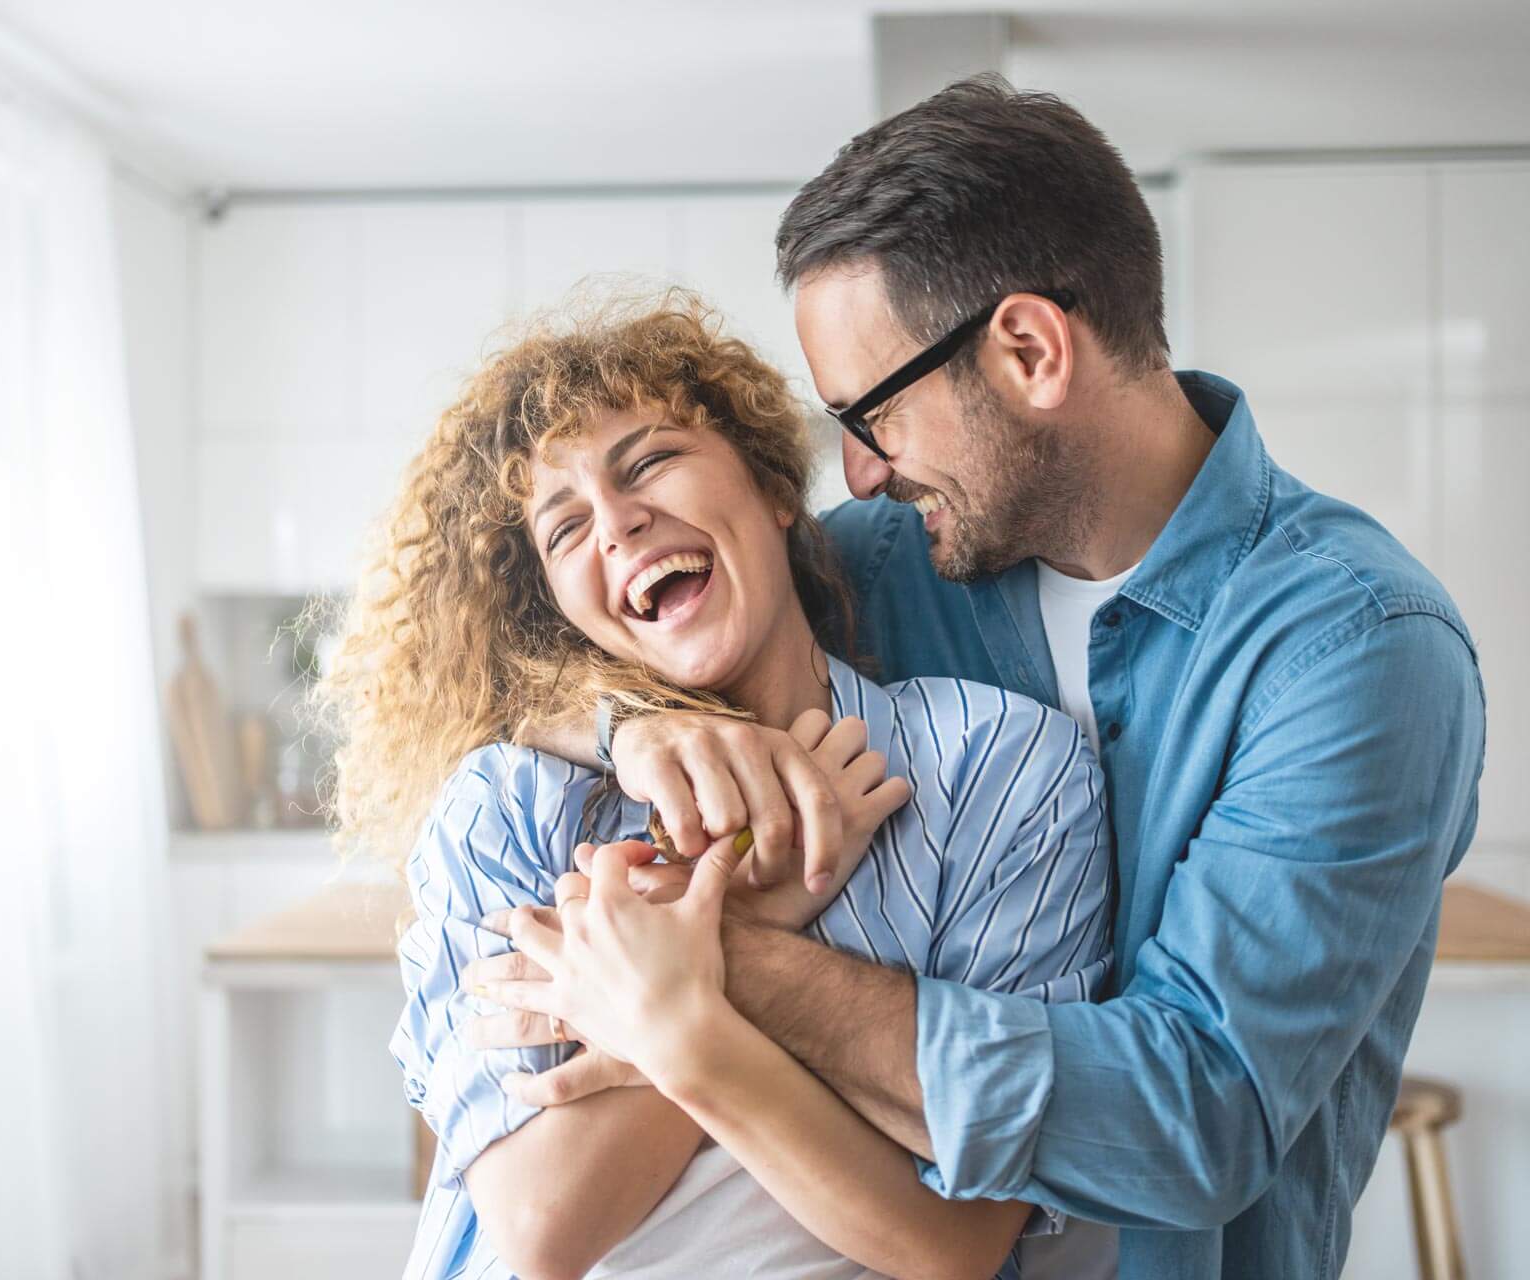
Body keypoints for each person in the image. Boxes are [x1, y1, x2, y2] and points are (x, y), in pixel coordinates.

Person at [474, 76, 1486, 1279]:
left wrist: (714, 952)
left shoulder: (1358, 647)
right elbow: (558, 652)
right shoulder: (884, 559)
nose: (857, 474)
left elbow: (1192, 1116)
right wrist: (628, 723)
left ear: (1027, 350)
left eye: (872, 414)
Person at [312, 293, 1113, 1279]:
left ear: (775, 486)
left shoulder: (1002, 769)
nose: (616, 523)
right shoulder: (514, 802)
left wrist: (668, 988)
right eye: (564, 529)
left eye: (649, 461)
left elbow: (953, 1242)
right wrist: (741, 909)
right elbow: (539, 1228)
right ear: (560, 605)